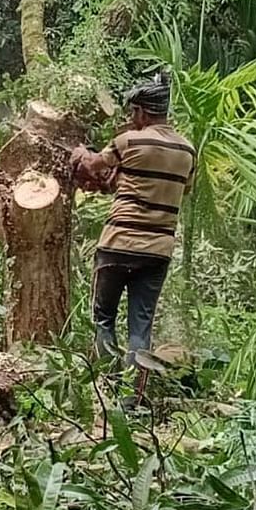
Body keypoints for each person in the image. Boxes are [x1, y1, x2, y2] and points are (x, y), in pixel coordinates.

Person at [71, 74, 196, 367]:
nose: (131, 117)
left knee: (103, 320)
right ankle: (132, 403)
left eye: (133, 111)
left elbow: (92, 164)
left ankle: (107, 386)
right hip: (158, 252)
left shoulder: (129, 141)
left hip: (117, 243)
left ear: (142, 111)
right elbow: (182, 189)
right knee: (140, 328)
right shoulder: (188, 151)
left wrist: (81, 152)